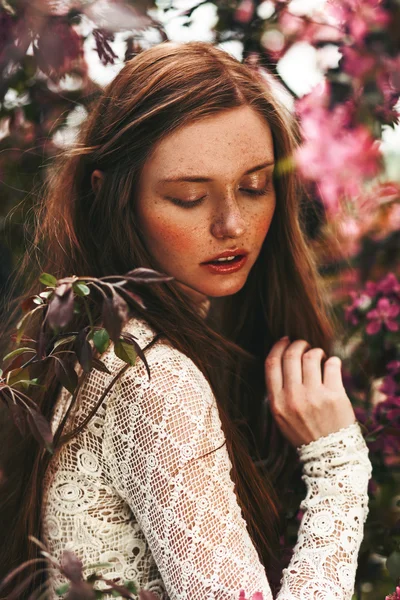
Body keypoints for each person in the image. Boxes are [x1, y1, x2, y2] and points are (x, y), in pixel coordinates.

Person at [0, 41, 372, 600]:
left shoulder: (86, 342)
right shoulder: (154, 382)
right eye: (189, 197)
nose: (231, 224)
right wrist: (337, 466)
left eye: (254, 186)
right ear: (111, 197)